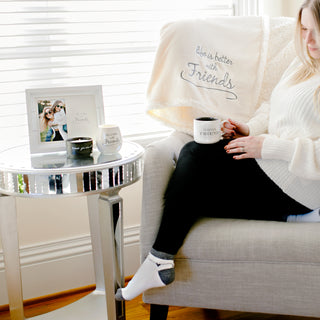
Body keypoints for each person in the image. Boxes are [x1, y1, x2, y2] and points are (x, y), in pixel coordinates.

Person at [116, 0, 320, 301]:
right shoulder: (304, 62)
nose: (308, 40)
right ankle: (159, 261)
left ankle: (158, 261)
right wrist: (248, 129)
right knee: (193, 171)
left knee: (196, 157)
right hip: (272, 166)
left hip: (298, 183)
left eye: (317, 31)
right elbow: (274, 106)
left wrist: (267, 146)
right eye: (303, 29)